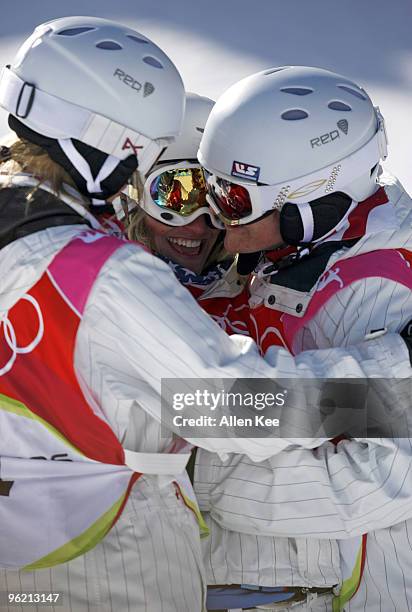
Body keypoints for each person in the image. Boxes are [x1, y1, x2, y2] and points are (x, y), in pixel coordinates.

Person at [0, 21, 409, 610]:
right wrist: (396, 373)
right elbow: (235, 406)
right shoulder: (105, 272)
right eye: (139, 157)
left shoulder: (23, 237)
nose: (207, 221)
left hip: (33, 561)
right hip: (105, 564)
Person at [196, 65, 412, 610]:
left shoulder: (389, 284)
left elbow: (381, 478)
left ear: (313, 200)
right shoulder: (275, 258)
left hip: (360, 589)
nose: (215, 213)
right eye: (209, 185)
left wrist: (198, 469)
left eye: (236, 198)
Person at [128, 91, 250, 336]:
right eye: (176, 196)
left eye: (221, 199)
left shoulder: (259, 297)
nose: (199, 227)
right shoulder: (106, 300)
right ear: (131, 200)